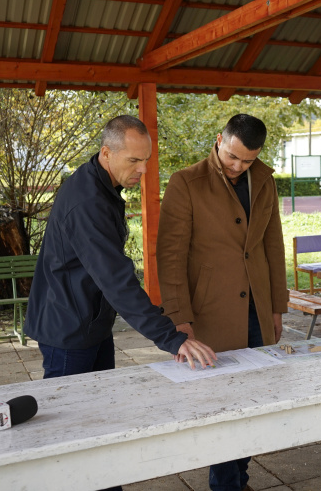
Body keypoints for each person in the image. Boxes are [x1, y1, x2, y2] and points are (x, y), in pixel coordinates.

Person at [25, 114, 216, 379]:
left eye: (146, 159)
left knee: (104, 400)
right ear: (107, 153)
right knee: (71, 403)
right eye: (134, 160)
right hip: (68, 330)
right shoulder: (87, 202)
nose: (143, 169)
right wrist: (170, 338)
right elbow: (115, 279)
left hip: (92, 323)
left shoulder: (103, 185)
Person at [157, 113, 288, 491]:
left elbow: (273, 244)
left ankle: (239, 479)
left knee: (253, 402)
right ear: (219, 140)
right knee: (220, 405)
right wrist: (179, 318)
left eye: (248, 160)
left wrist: (277, 307)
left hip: (258, 309)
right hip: (209, 312)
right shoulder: (185, 182)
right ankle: (226, 485)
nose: (238, 166)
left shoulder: (264, 180)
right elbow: (170, 256)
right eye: (232, 156)